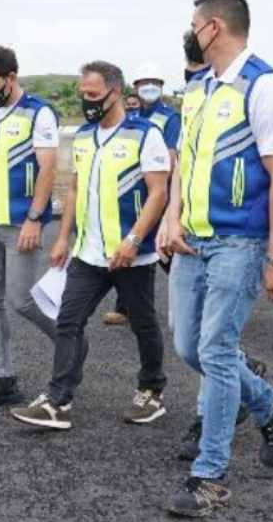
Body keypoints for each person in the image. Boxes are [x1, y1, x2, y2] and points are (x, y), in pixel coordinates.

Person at [162, 0, 273, 517]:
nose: (190, 31)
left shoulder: (264, 86)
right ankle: (272, 404)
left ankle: (210, 475)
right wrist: (172, 218)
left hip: (239, 244)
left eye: (194, 23)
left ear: (213, 28)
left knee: (217, 351)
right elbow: (183, 164)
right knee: (189, 348)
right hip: (192, 241)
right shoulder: (198, 89)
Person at [11, 61, 169, 430]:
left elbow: (159, 192)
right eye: (83, 94)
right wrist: (63, 237)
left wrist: (133, 241)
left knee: (143, 325)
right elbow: (76, 189)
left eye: (94, 95)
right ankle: (57, 400)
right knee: (68, 321)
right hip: (88, 253)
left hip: (131, 255)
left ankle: (151, 390)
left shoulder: (146, 135)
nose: (87, 101)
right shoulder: (83, 136)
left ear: (116, 92)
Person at [0, 45, 60, 410]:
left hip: (22, 223)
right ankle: (4, 378)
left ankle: (69, 342)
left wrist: (35, 219)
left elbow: (48, 169)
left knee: (21, 300)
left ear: (11, 78)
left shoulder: (39, 114)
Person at [103, 63, 184, 326]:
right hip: (130, 194)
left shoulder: (169, 118)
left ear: (161, 87)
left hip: (158, 193)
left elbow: (170, 157)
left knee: (163, 252)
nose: (149, 87)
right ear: (136, 87)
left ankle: (190, 300)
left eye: (155, 82)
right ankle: (125, 307)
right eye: (144, 82)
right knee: (128, 245)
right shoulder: (129, 118)